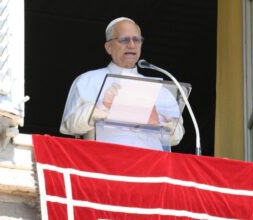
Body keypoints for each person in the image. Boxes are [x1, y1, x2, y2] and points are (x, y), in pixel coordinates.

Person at [60, 17, 185, 151]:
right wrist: (103, 108)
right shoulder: (88, 80)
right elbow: (69, 126)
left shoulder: (161, 90)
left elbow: (176, 137)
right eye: (124, 39)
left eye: (136, 40)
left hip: (152, 167)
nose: (131, 45)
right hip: (106, 164)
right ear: (108, 47)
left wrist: (160, 121)